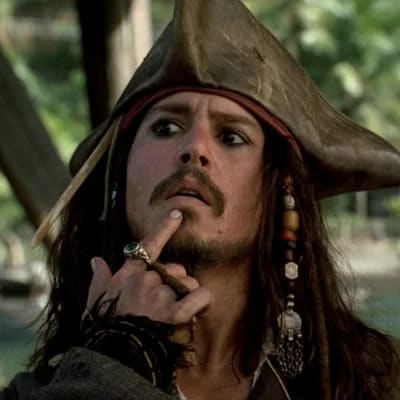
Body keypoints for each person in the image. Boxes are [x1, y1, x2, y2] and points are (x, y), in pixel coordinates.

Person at [2, 0, 400, 399]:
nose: (194, 149)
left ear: (280, 189)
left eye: (231, 136)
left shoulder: (373, 383)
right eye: (165, 127)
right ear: (120, 177)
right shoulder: (35, 395)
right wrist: (120, 353)